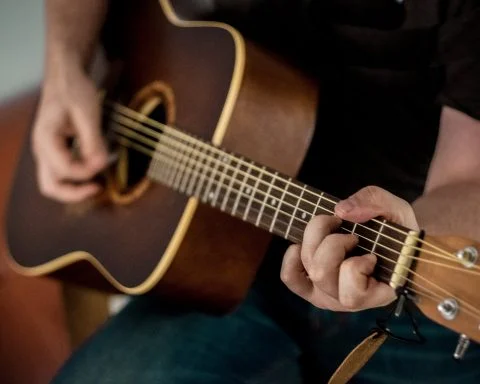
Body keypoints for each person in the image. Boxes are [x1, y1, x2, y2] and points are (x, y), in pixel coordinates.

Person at [32, 0, 480, 383]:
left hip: (404, 284)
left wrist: (415, 237)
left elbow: (468, 172)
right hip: (210, 261)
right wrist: (65, 64)